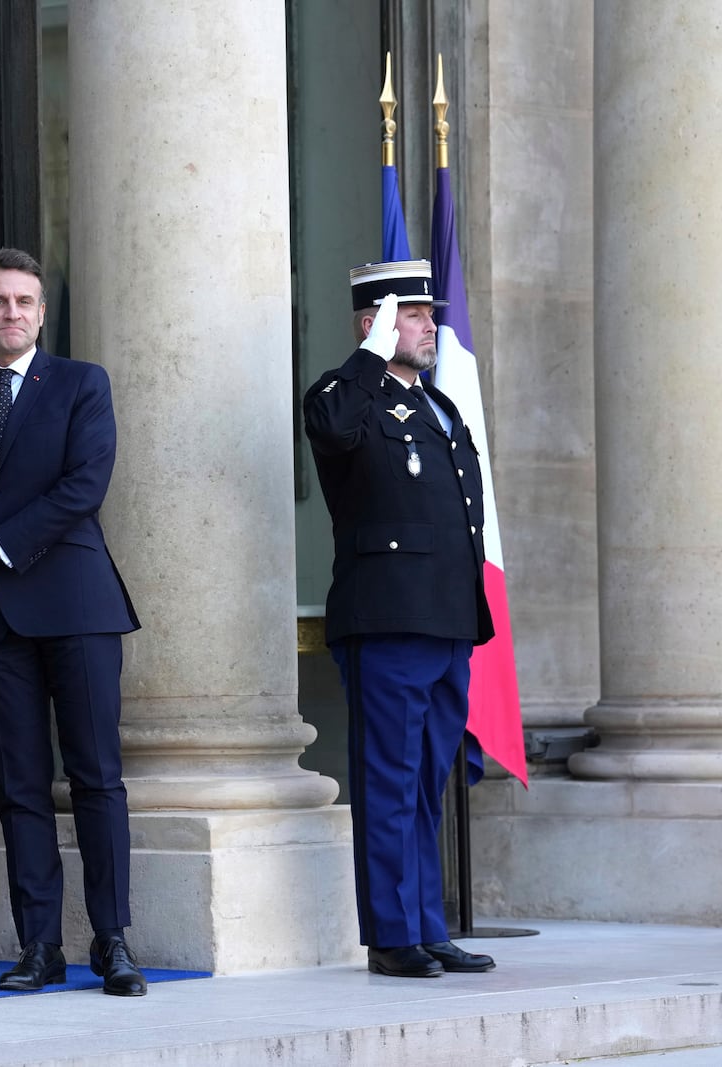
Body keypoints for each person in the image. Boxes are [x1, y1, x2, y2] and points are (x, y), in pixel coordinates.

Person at [0, 248, 145, 997]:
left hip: (78, 605)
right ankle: (39, 945)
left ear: (42, 312)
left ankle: (113, 940)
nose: (11, 313)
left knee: (96, 777)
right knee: (19, 787)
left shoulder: (83, 384)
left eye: (24, 301)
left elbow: (85, 485)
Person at [301, 259, 497, 979]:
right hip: (387, 620)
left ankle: (426, 924)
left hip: (446, 620)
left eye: (427, 314)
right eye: (412, 314)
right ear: (374, 323)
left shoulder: (441, 409)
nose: (429, 325)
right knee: (388, 777)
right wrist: (367, 356)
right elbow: (329, 430)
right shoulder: (344, 395)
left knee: (425, 782)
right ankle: (390, 934)